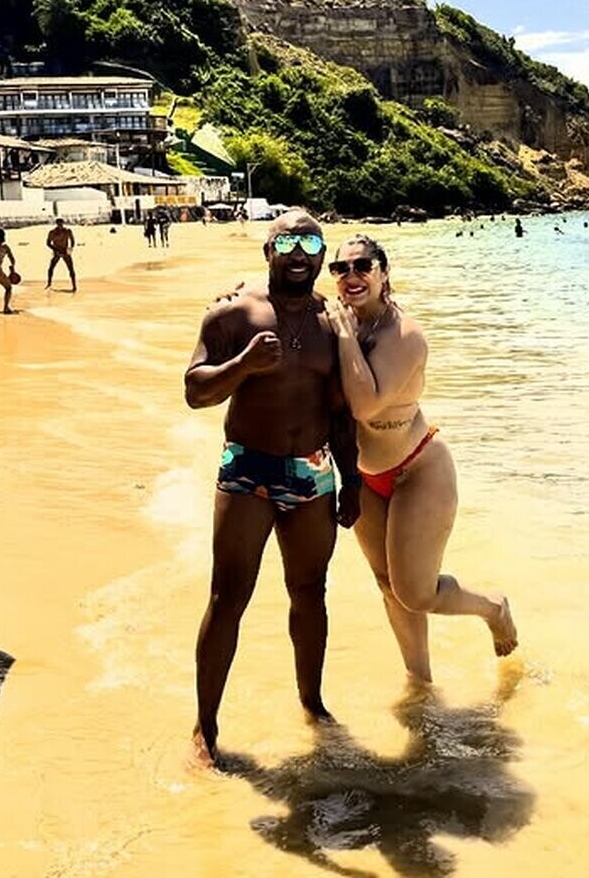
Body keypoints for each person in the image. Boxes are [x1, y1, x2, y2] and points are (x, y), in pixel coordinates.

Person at [183, 209, 359, 767]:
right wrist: (243, 364)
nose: (299, 253)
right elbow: (195, 391)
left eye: (310, 243)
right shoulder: (233, 312)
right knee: (228, 597)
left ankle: (313, 705)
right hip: (247, 470)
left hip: (313, 472)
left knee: (310, 593)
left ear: (322, 253)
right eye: (286, 243)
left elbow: (341, 413)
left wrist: (352, 481)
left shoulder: (334, 322)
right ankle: (205, 727)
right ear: (267, 251)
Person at [325, 234, 517, 685]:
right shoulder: (335, 319)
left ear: (384, 272)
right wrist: (235, 296)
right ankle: (420, 681)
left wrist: (344, 335)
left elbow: (365, 406)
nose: (351, 276)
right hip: (364, 475)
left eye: (362, 266)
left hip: (418, 468)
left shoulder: (404, 335)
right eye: (340, 269)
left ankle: (493, 607)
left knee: (416, 591)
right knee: (387, 584)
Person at [45, 218, 77, 292]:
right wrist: (55, 249)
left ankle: (74, 286)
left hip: (65, 252)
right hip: (57, 252)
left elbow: (72, 240)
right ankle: (49, 284)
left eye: (61, 224)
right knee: (51, 268)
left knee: (71, 269)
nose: (60, 225)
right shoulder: (52, 232)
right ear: (56, 224)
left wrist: (70, 248)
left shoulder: (67, 231)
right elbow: (48, 243)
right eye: (59, 224)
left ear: (63, 223)